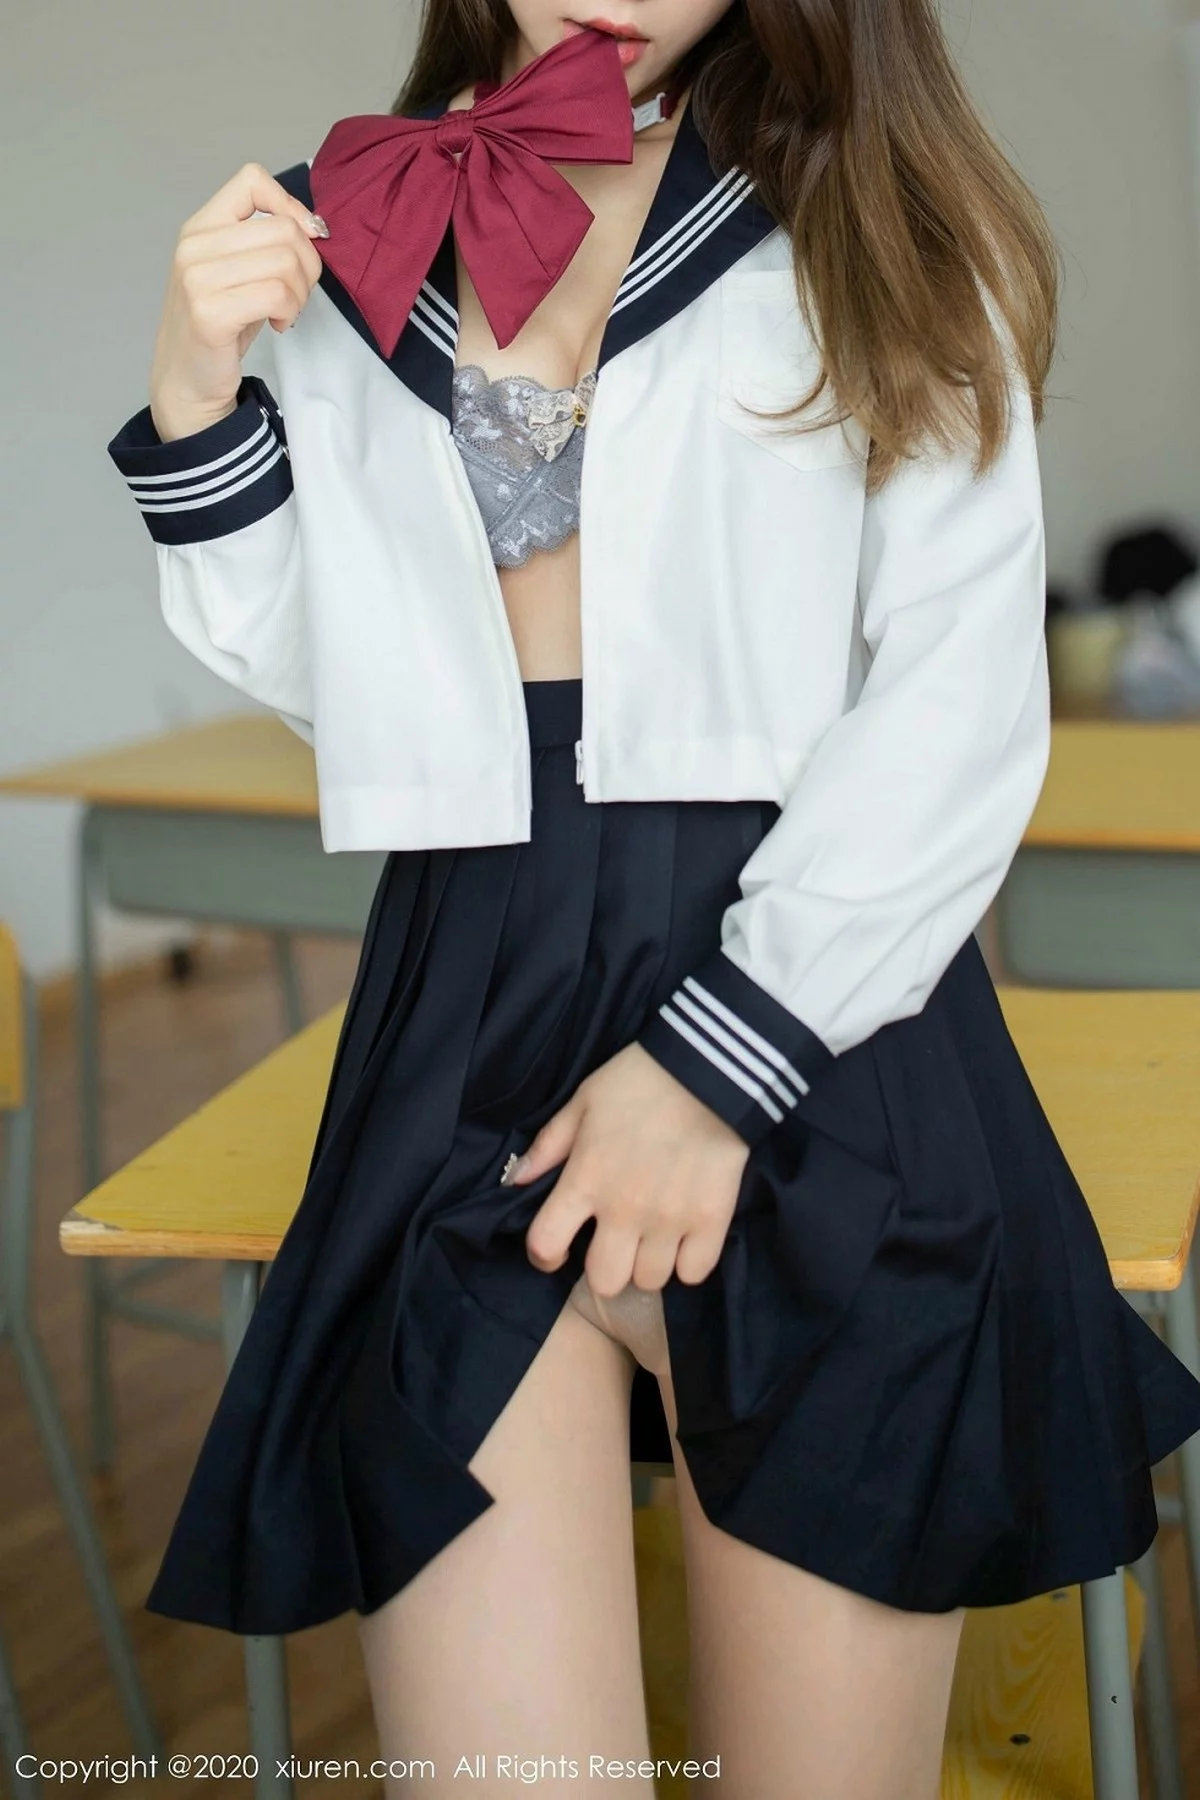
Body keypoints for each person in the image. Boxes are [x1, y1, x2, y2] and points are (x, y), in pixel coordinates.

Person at [107, 2, 1200, 1794]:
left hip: (811, 1030)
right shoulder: (363, 215)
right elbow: (355, 677)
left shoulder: (879, 221)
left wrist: (713, 1070)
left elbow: (958, 699)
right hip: (460, 1016)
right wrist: (196, 397)